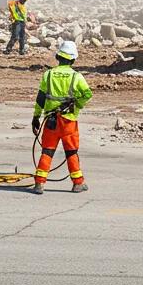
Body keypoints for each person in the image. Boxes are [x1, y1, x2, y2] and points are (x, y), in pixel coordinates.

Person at [31, 40, 92, 194]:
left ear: (58, 57)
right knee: (71, 152)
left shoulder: (48, 75)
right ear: (73, 59)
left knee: (47, 151)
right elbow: (87, 94)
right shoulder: (77, 77)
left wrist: (36, 117)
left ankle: (39, 184)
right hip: (68, 121)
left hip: (50, 120)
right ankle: (77, 183)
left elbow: (40, 98)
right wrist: (76, 104)